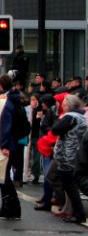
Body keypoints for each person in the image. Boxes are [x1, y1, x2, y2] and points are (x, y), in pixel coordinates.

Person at [46, 93, 87, 224]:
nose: (61, 106)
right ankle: (75, 211)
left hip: (67, 156)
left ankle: (78, 213)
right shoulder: (82, 117)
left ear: (67, 105)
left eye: (63, 104)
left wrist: (60, 118)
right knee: (71, 184)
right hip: (77, 154)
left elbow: (55, 129)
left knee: (69, 185)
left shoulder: (70, 116)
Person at [0, 73, 23, 220]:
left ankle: (11, 208)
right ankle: (9, 207)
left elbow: (5, 123)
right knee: (3, 176)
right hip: (13, 142)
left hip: (7, 143)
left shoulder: (5, 101)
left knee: (3, 176)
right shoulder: (13, 98)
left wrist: (4, 145)